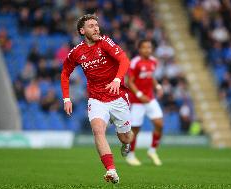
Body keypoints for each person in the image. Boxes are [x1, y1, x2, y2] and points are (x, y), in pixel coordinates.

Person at [61, 14, 134, 184]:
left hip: (118, 97)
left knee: (125, 138)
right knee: (97, 130)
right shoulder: (77, 52)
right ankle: (111, 170)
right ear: (82, 30)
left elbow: (124, 60)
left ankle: (126, 144)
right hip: (96, 98)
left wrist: (117, 79)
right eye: (91, 26)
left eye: (97, 25)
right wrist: (66, 98)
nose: (96, 28)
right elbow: (65, 73)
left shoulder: (105, 42)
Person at [126, 39, 164, 166]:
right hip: (137, 101)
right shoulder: (135, 62)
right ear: (140, 49)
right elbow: (129, 82)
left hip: (150, 99)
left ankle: (152, 151)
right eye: (145, 47)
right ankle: (130, 155)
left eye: (149, 47)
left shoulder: (154, 61)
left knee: (159, 124)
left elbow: (150, 76)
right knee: (135, 129)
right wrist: (139, 94)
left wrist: (157, 86)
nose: (148, 49)